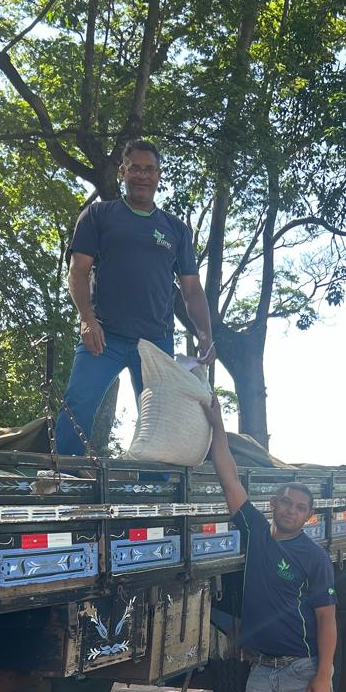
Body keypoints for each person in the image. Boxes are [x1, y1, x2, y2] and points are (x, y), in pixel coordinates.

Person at [202, 394, 338, 692]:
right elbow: (228, 476)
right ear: (273, 504)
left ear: (308, 517)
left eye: (300, 507)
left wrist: (323, 675)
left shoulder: (314, 558)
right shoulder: (257, 534)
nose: (290, 509)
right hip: (262, 671)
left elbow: (327, 619)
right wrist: (217, 426)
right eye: (285, 501)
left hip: (303, 672)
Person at [54, 139, 214, 455]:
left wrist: (205, 334)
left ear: (158, 175)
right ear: (123, 172)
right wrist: (86, 318)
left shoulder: (176, 229)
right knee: (78, 402)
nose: (142, 175)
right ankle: (65, 473)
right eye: (135, 169)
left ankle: (154, 481)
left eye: (149, 169)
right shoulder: (98, 215)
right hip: (104, 335)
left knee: (160, 420)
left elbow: (192, 289)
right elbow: (78, 271)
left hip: (155, 341)